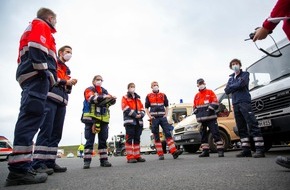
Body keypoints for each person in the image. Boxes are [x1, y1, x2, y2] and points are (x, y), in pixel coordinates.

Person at [6, 7, 58, 186]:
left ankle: (22, 166)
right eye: (55, 21)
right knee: (30, 119)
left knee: (31, 119)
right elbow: (36, 47)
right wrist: (46, 73)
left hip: (33, 77)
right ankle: (19, 170)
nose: (55, 24)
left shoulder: (34, 26)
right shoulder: (40, 25)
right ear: (50, 18)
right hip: (37, 77)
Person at [32, 45, 77, 174]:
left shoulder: (66, 69)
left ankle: (50, 162)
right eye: (68, 52)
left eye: (71, 52)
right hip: (50, 99)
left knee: (57, 133)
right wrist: (65, 82)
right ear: (61, 52)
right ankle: (38, 163)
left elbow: (66, 87)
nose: (69, 54)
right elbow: (51, 78)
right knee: (46, 131)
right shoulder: (53, 62)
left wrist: (70, 84)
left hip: (62, 102)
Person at [224, 59, 265, 158]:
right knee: (241, 127)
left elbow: (242, 84)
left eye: (236, 64)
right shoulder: (230, 78)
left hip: (244, 102)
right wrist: (236, 85)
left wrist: (233, 86)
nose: (235, 65)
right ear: (231, 66)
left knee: (252, 124)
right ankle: (246, 150)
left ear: (240, 65)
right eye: (233, 64)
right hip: (236, 103)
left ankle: (260, 149)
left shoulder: (245, 74)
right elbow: (226, 90)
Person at [81, 75, 116, 169]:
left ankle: (104, 160)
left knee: (103, 140)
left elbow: (107, 103)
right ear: (93, 81)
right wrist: (105, 97)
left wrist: (112, 100)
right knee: (89, 140)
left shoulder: (104, 91)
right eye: (97, 79)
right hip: (91, 119)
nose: (99, 81)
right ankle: (87, 161)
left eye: (101, 80)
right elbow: (91, 99)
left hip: (103, 119)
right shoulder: (89, 89)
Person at [145, 81, 183, 160]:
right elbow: (146, 108)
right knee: (156, 136)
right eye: (154, 85)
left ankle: (174, 152)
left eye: (156, 85)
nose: (155, 86)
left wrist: (166, 114)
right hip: (154, 118)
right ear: (151, 87)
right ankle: (160, 154)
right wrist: (150, 116)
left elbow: (167, 106)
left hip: (162, 117)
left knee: (168, 133)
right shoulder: (148, 96)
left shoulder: (163, 95)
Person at [193, 78, 224, 157]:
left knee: (215, 133)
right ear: (197, 85)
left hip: (211, 118)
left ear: (204, 83)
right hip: (202, 120)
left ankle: (220, 150)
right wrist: (195, 111)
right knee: (203, 135)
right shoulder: (196, 96)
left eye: (202, 83)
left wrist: (209, 109)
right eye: (199, 84)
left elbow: (215, 102)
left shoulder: (210, 92)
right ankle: (205, 151)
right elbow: (194, 106)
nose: (201, 85)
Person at [121, 83, 146, 163]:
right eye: (131, 87)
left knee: (137, 139)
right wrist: (136, 115)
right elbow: (125, 108)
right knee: (129, 139)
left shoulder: (138, 99)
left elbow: (142, 109)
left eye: (134, 87)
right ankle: (130, 157)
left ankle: (137, 156)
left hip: (139, 122)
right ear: (128, 88)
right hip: (130, 122)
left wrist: (141, 114)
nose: (133, 88)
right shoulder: (125, 97)